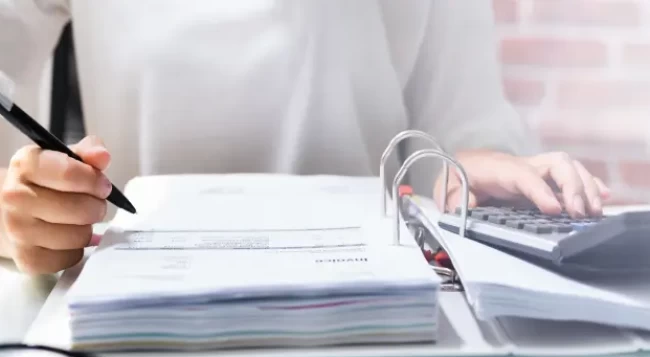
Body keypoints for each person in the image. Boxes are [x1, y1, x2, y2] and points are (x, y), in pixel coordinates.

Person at [0, 1, 609, 275]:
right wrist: (24, 215)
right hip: (142, 299)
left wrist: (477, 166)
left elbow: (464, 118)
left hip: (372, 304)